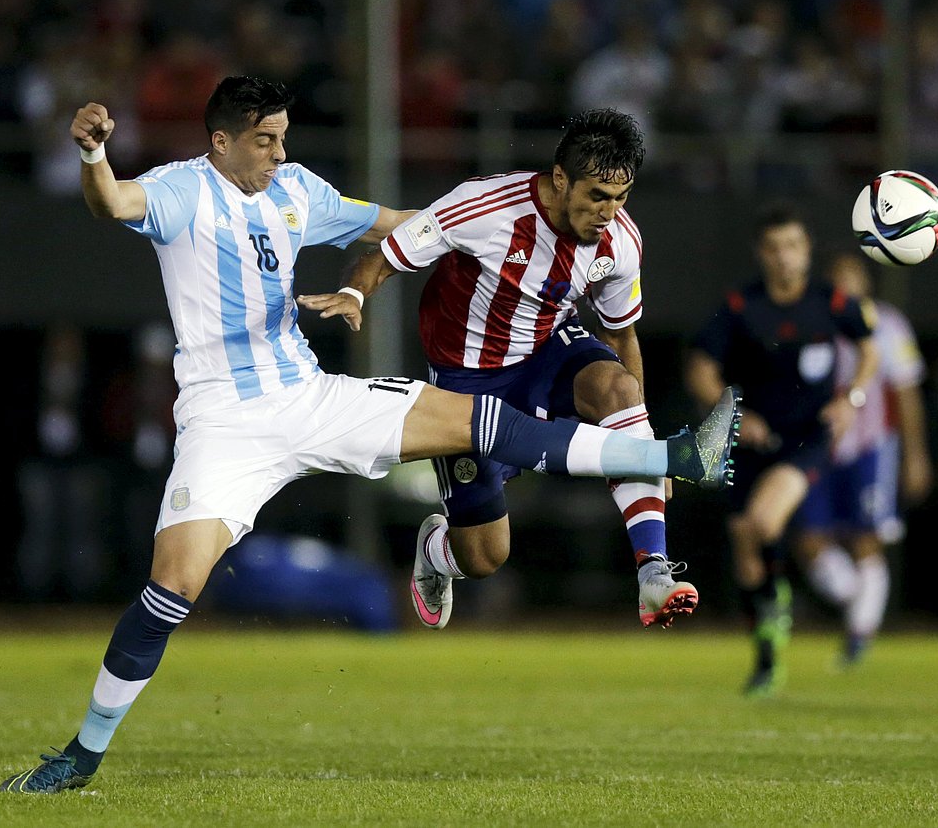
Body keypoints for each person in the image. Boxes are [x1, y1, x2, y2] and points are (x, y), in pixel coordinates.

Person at [0, 76, 739, 794]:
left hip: (309, 393)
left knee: (463, 420)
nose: (279, 155)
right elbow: (112, 201)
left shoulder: (297, 191)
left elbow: (391, 222)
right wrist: (96, 156)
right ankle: (81, 756)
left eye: (284, 138)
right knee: (172, 586)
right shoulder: (179, 189)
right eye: (264, 141)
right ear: (220, 141)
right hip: (223, 419)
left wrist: (459, 231)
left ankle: (666, 456)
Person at [300, 108, 709, 631]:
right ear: (560, 179)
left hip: (545, 352)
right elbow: (390, 251)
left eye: (620, 197)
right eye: (597, 197)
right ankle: (437, 551)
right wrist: (354, 293)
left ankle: (653, 572)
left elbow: (621, 334)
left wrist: (644, 442)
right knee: (486, 556)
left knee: (617, 386)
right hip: (464, 380)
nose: (609, 212)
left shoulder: (621, 244)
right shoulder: (485, 206)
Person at [684, 204, 878, 697]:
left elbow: (870, 349)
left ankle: (777, 604)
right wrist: (735, 413)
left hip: (807, 439)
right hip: (752, 442)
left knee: (763, 523)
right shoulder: (740, 307)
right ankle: (767, 653)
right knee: (744, 543)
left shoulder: (830, 302)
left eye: (793, 246)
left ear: (807, 250)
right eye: (774, 248)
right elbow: (701, 372)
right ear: (760, 254)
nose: (784, 257)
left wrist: (850, 398)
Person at [792, 250, 931, 666]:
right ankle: (861, 600)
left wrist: (916, 455)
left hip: (872, 446)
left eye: (851, 276)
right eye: (836, 277)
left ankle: (859, 633)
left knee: (866, 538)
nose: (844, 285)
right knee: (809, 540)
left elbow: (906, 393)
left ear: (866, 283)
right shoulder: (810, 323)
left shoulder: (888, 325)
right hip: (818, 447)